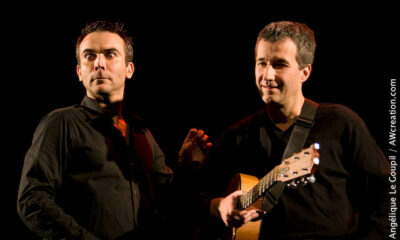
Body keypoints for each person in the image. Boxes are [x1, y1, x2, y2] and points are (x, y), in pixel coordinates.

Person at [17, 20, 211, 240]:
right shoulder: (60, 123)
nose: (99, 63)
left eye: (110, 54)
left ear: (129, 69)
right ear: (80, 72)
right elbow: (32, 199)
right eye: (89, 56)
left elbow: (168, 202)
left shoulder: (142, 133)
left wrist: (185, 167)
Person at [195, 21, 390, 240]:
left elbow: (387, 193)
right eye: (261, 63)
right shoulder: (238, 136)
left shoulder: (341, 122)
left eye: (279, 64)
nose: (267, 75)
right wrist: (220, 206)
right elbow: (191, 202)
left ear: (304, 72)